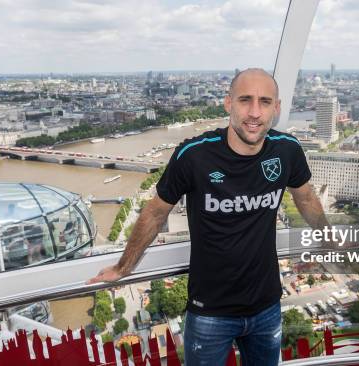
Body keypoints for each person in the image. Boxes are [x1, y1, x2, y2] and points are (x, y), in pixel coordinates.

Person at [88, 68, 328, 365]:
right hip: (210, 311)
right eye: (245, 100)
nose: (254, 112)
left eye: (265, 102)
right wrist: (123, 267)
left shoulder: (287, 150)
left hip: (266, 306)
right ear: (228, 104)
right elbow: (155, 212)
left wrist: (329, 239)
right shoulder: (194, 155)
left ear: (276, 109)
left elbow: (305, 196)